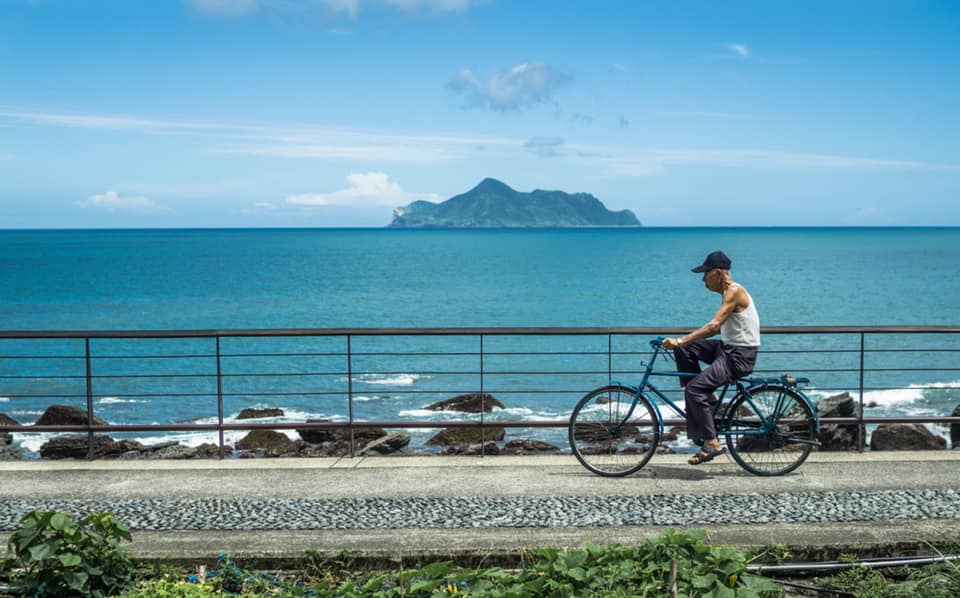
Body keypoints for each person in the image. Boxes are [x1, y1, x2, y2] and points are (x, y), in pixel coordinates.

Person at [661, 250, 760, 465]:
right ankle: (709, 400)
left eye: (705, 274)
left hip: (738, 356)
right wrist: (682, 344)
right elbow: (717, 331)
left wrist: (680, 339)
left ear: (717, 274)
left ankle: (711, 443)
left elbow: (714, 326)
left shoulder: (734, 291)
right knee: (686, 350)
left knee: (694, 389)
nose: (702, 279)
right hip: (727, 348)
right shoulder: (729, 293)